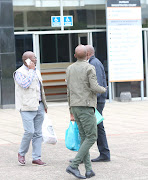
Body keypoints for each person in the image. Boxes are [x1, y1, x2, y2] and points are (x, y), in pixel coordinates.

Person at [66, 45, 107, 179]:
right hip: (86, 106)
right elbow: (94, 87)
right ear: (87, 55)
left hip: (75, 106)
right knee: (91, 137)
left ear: (75, 56)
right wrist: (104, 89)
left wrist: (70, 109)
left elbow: (69, 91)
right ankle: (74, 165)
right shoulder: (90, 67)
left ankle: (89, 169)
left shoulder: (70, 69)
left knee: (84, 138)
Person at [13, 51, 48, 166]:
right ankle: (21, 153)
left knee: (38, 133)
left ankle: (36, 157)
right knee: (29, 131)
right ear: (26, 60)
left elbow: (40, 89)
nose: (36, 60)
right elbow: (25, 84)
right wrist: (31, 70)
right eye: (33, 58)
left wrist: (44, 105)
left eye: (36, 58)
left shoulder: (36, 71)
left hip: (39, 105)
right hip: (26, 106)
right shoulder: (19, 72)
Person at [85, 45, 110, 162]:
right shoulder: (94, 62)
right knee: (96, 127)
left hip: (97, 102)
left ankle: (104, 153)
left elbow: (98, 84)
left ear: (88, 53)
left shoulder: (94, 64)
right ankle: (103, 153)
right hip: (96, 101)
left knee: (98, 127)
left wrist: (93, 103)